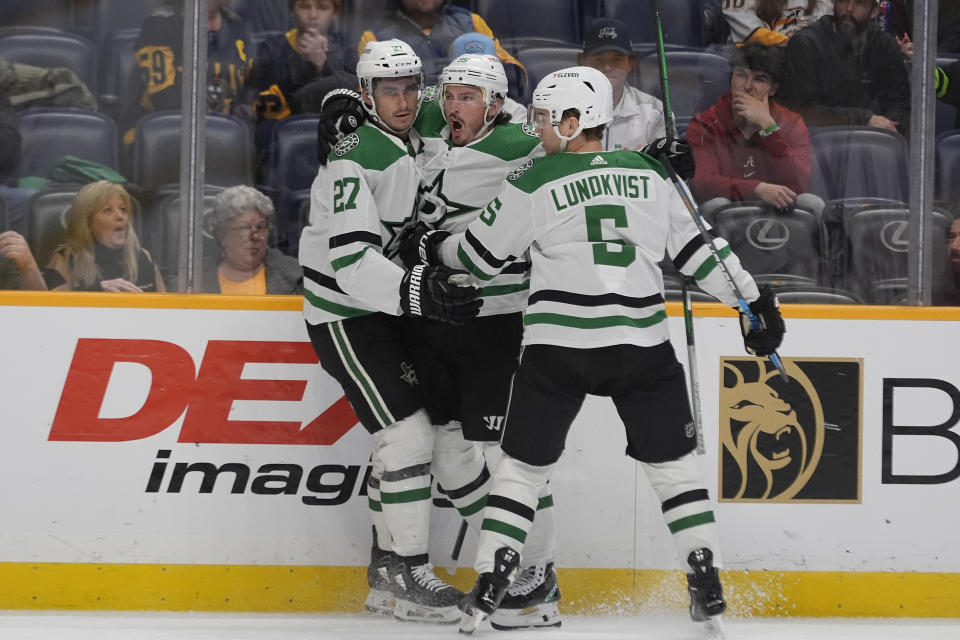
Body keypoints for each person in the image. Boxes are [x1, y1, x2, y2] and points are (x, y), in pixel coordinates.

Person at [408, 66, 784, 634]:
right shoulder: (651, 175)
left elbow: (480, 259)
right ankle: (705, 574)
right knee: (675, 471)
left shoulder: (534, 179)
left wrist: (433, 246)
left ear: (573, 120)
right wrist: (756, 308)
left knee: (520, 470)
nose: (535, 129)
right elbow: (704, 253)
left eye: (541, 117)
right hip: (642, 347)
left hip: (559, 348)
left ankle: (492, 577)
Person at [299, 38, 481, 623]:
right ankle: (405, 572)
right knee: (407, 439)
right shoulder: (352, 157)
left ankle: (386, 573)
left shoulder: (411, 118)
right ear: (366, 94)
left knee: (419, 437)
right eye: (388, 90)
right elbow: (352, 260)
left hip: (384, 309)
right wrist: (419, 292)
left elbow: (498, 109)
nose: (403, 101)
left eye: (410, 87)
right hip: (347, 314)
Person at [686, 43, 823, 219]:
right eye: (741, 75)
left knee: (812, 204)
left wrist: (769, 128)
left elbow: (799, 184)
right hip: (730, 214)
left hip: (779, 213)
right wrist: (757, 189)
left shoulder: (791, 123)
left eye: (759, 79)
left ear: (773, 88)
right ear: (731, 79)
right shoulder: (705, 124)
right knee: (715, 205)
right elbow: (702, 185)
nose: (748, 86)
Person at [776, 0, 910, 134]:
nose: (849, 9)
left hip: (875, 144)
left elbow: (901, 105)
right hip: (817, 143)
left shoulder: (885, 46)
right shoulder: (806, 44)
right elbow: (801, 110)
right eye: (843, 1)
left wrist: (890, 127)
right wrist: (863, 119)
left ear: (874, 11)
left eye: (860, 3)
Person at [129, 0, 252, 141]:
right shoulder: (160, 25)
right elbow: (164, 99)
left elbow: (246, 89)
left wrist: (240, 108)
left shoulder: (236, 26)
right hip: (163, 133)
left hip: (222, 134)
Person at [354, 0, 524, 92]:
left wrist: (497, 72)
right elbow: (368, 93)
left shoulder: (471, 22)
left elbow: (514, 73)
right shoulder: (374, 38)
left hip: (474, 121)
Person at [43, 181, 166, 292]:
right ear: (87, 222)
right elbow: (51, 310)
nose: (120, 216)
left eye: (123, 209)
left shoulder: (144, 256)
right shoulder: (64, 260)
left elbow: (166, 307)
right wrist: (97, 291)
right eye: (108, 210)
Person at [246, 0, 357, 122]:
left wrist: (323, 65)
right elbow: (254, 106)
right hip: (281, 131)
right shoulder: (271, 49)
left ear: (334, 13)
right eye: (304, 7)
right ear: (293, 11)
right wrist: (310, 67)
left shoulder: (346, 50)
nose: (313, 15)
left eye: (322, 8)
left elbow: (355, 95)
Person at [577, 18, 666, 151]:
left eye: (617, 60)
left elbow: (668, 166)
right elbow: (537, 163)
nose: (607, 67)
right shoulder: (555, 109)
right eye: (598, 60)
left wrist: (640, 162)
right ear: (582, 62)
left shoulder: (655, 111)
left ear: (630, 63)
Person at [201, 185, 302, 294]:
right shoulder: (195, 277)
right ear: (222, 235)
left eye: (260, 227)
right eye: (244, 228)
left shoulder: (297, 277)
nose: (255, 237)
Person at [447, 33, 527, 121]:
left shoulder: (515, 113)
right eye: (468, 68)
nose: (477, 75)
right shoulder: (442, 109)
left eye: (486, 66)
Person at [723, 0, 834, 46]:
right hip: (752, 56)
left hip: (796, 58)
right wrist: (782, 40)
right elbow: (740, 17)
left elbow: (821, 24)